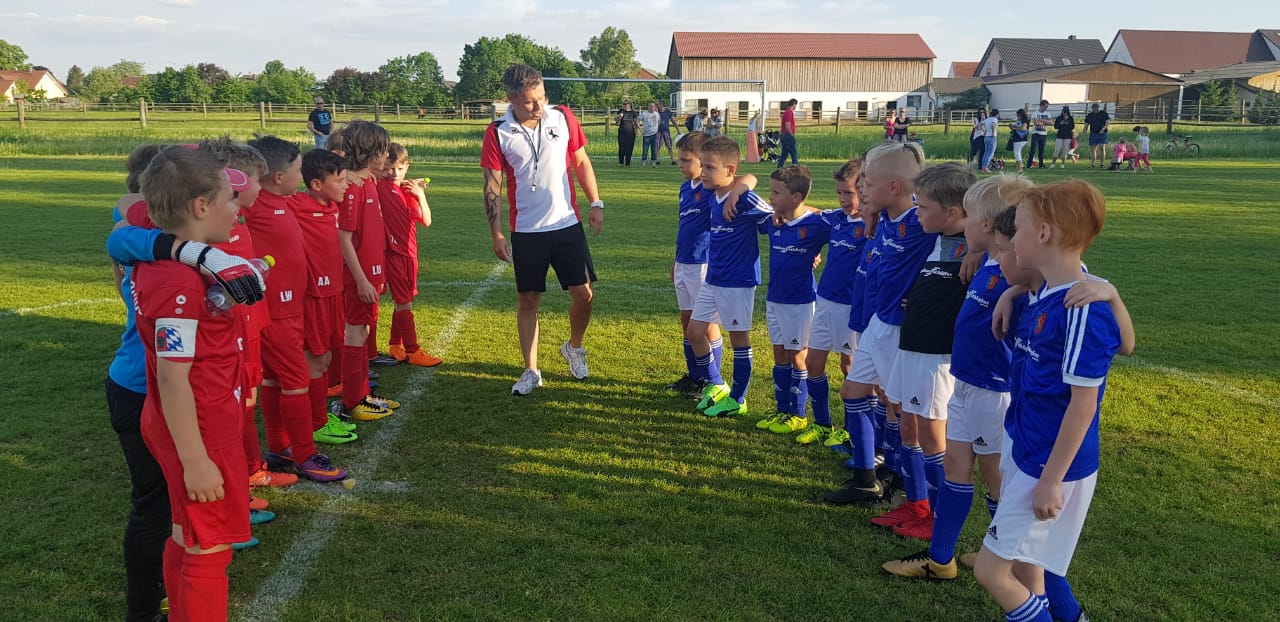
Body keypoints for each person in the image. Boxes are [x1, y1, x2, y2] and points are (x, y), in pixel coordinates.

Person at [104, 146, 270, 621]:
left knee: (185, 534)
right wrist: (196, 461)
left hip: (200, 419)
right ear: (200, 205)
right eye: (228, 199)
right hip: (198, 426)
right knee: (208, 549)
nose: (237, 208)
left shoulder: (177, 260)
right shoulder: (178, 284)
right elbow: (173, 378)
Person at [973, 180, 1123, 622]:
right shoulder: (1047, 290)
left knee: (991, 572)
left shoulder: (1080, 308)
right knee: (1027, 566)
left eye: (1017, 229)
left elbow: (1083, 405)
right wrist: (1011, 291)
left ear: (1043, 234)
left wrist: (1051, 480)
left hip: (1047, 462)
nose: (1010, 239)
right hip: (1028, 446)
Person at [881, 174, 1030, 579]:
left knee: (996, 477)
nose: (964, 223)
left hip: (991, 389)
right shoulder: (986, 260)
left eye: (970, 216)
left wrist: (1016, 290)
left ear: (988, 225)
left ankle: (1009, 560)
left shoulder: (1018, 272)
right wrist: (979, 254)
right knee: (954, 467)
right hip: (964, 382)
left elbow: (1060, 278)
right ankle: (940, 559)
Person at [481, 63, 604, 395]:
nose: (538, 106)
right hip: (526, 231)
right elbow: (492, 186)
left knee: (584, 294)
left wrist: (596, 202)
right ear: (511, 99)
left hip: (567, 225)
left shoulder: (562, 117)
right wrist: (496, 233)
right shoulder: (497, 132)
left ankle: (574, 347)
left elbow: (581, 161)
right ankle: (531, 370)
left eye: (542, 97)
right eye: (530, 101)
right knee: (528, 299)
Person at [823, 141, 931, 507]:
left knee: (902, 412)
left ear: (894, 187)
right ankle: (866, 478)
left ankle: (907, 486)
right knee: (854, 392)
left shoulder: (921, 221)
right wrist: (871, 213)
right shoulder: (886, 216)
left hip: (901, 330)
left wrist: (975, 252)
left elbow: (967, 223)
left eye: (867, 182)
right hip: (877, 324)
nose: (862, 189)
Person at [876, 163, 977, 543]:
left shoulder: (976, 248)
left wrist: (979, 249)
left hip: (936, 355)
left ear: (952, 212)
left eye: (922, 207)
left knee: (933, 436)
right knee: (907, 424)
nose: (916, 213)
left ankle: (937, 516)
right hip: (911, 345)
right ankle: (917, 502)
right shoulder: (937, 238)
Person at [242, 136, 350, 483]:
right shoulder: (251, 205)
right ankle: (305, 455)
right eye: (297, 170)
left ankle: (279, 448)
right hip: (277, 311)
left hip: (291, 307)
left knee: (275, 379)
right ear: (278, 176)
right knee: (296, 380)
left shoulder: (285, 202)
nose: (300, 176)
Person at [686, 136, 775, 418]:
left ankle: (738, 399)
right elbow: (748, 177)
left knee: (739, 341)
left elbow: (776, 221)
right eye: (703, 166)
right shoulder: (714, 195)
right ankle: (717, 383)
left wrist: (806, 253)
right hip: (714, 278)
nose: (703, 172)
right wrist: (738, 187)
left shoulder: (745, 199)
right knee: (694, 332)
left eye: (710, 167)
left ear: (730, 170)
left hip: (738, 281)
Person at [663, 131, 757, 397]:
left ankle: (711, 381)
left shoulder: (711, 189)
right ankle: (696, 377)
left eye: (686, 160)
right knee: (687, 321)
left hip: (704, 263)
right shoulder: (685, 188)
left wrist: (737, 192)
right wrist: (676, 259)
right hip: (684, 262)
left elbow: (749, 178)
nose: (681, 165)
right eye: (680, 160)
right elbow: (685, 227)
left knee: (707, 325)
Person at [791, 158, 869, 446]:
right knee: (813, 363)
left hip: (851, 306)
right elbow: (811, 214)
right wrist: (784, 214)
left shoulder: (873, 224)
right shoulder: (836, 219)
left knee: (850, 366)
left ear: (865, 190)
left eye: (849, 193)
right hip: (824, 301)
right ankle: (823, 424)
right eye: (839, 193)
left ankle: (850, 429)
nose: (843, 199)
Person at [290, 149, 361, 446]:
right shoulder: (296, 205)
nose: (346, 185)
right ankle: (316, 423)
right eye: (340, 180)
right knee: (315, 362)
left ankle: (318, 416)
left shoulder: (332, 207)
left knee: (328, 358)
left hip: (334, 294)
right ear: (317, 184)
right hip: (314, 297)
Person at [754, 166, 831, 436]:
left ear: (796, 197)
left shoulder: (817, 224)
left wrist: (816, 254)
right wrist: (777, 211)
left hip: (801, 301)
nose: (771, 197)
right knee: (780, 354)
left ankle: (798, 414)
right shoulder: (772, 221)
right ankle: (783, 409)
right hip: (775, 298)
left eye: (777, 193)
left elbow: (842, 222)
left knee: (799, 356)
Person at [336, 120, 400, 419]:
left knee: (362, 334)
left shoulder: (368, 182)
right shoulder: (353, 188)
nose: (386, 156)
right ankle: (353, 401)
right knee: (355, 334)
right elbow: (344, 238)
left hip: (372, 274)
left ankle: (363, 394)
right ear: (370, 152)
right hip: (357, 278)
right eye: (383, 151)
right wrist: (361, 280)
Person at [378, 143, 442, 366]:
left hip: (410, 253)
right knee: (403, 302)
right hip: (393, 253)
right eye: (389, 168)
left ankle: (395, 344)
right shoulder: (379, 187)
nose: (394, 173)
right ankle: (413, 351)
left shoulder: (409, 190)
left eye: (399, 168)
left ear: (407, 167)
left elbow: (426, 220)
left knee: (403, 300)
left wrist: (420, 194)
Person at [1084, 103, 1111, 169]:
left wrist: (1103, 129)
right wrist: (1084, 133)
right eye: (1094, 109)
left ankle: (1102, 164)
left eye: (1096, 109)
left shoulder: (1103, 113)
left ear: (1098, 108)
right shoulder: (1090, 115)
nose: (1095, 110)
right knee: (1093, 149)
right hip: (1093, 133)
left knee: (1102, 147)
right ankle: (1092, 164)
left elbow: (1108, 122)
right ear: (1092, 109)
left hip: (1103, 133)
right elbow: (1086, 125)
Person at [1028, 100, 1052, 169]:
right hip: (1036, 134)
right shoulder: (1035, 113)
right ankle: (1029, 164)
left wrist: (1041, 120)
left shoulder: (1048, 114)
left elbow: (1050, 122)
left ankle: (1041, 164)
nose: (1046, 108)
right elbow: (1036, 123)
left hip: (1044, 134)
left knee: (1041, 150)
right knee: (1033, 150)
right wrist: (1045, 122)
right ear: (1041, 105)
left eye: (1047, 107)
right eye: (1045, 106)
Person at [615, 101, 638, 166]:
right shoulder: (621, 111)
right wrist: (619, 116)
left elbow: (636, 123)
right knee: (622, 147)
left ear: (629, 105)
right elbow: (616, 122)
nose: (624, 105)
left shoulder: (633, 112)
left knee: (629, 147)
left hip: (631, 132)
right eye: (623, 104)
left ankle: (628, 163)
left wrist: (637, 132)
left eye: (625, 104)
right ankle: (621, 162)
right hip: (622, 132)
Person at [777, 99, 799, 168]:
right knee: (794, 153)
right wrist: (792, 135)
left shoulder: (786, 112)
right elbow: (787, 126)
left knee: (784, 154)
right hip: (788, 136)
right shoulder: (789, 112)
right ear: (794, 104)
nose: (795, 107)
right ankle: (795, 169)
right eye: (795, 105)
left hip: (784, 135)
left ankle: (779, 168)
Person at [640, 102, 661, 167]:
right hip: (646, 135)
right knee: (645, 150)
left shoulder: (657, 114)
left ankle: (653, 163)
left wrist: (655, 128)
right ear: (648, 107)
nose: (652, 107)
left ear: (655, 107)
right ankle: (643, 162)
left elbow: (659, 121)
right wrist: (640, 130)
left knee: (654, 150)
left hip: (654, 135)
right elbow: (637, 121)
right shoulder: (644, 114)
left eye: (653, 106)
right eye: (650, 106)